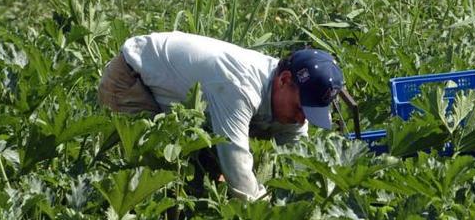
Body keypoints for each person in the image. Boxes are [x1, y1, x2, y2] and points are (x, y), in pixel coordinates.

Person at [97, 31, 345, 201]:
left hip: (181, 96)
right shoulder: (239, 87)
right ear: (284, 80)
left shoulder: (292, 98)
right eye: (302, 109)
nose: (303, 120)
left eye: (311, 113)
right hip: (132, 78)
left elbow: (297, 163)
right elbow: (238, 173)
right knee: (150, 182)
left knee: (203, 181)